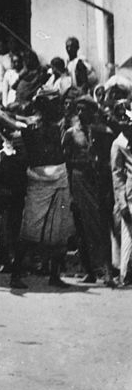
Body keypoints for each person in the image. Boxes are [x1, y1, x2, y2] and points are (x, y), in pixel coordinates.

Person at [11, 90, 76, 289]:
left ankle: (54, 275)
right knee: (30, 228)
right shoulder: (29, 125)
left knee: (60, 230)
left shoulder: (55, 125)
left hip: (59, 175)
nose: (57, 107)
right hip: (39, 178)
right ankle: (16, 274)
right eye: (53, 104)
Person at [63, 97, 116, 286]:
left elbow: (109, 158)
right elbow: (65, 161)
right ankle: (89, 270)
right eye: (77, 109)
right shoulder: (71, 134)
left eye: (84, 110)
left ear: (92, 112)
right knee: (81, 227)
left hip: (97, 182)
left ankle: (107, 270)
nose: (79, 113)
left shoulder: (102, 132)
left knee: (101, 226)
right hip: (78, 181)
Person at [111, 102, 132, 286]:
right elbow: (117, 176)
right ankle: (125, 276)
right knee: (128, 238)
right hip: (130, 196)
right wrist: (122, 203)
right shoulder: (118, 144)